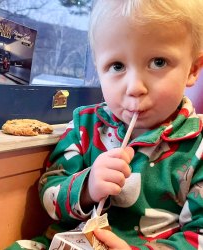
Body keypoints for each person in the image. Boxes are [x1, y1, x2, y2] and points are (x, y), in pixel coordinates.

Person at [39, 0, 203, 249]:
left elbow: (198, 236)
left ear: (193, 69)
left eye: (158, 62)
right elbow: (49, 193)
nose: (135, 87)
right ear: (98, 69)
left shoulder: (198, 147)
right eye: (117, 66)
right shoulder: (85, 125)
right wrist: (86, 188)